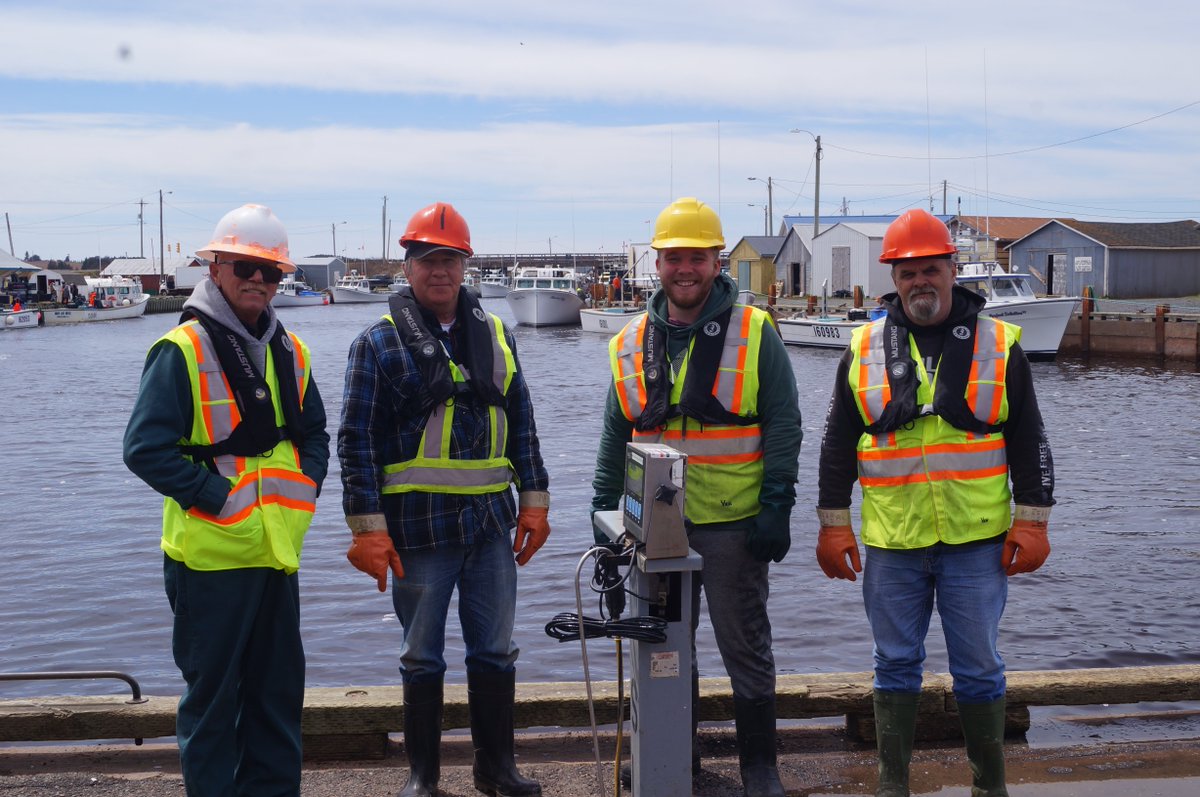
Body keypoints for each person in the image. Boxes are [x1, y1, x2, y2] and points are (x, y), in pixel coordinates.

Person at [814, 208, 1055, 797]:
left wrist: (1034, 521)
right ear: (893, 280)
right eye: (906, 273)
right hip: (894, 543)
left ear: (953, 268)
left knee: (979, 668)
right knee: (894, 663)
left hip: (977, 543)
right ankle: (892, 784)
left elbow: (1029, 440)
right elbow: (836, 444)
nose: (920, 281)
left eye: (930, 269)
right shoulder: (864, 347)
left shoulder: (1000, 344)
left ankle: (987, 786)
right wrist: (832, 525)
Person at [590, 197, 803, 797]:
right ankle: (670, 752)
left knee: (746, 647)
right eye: (674, 258)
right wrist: (604, 517)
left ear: (717, 261)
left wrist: (777, 505)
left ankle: (760, 767)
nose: (686, 269)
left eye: (698, 257)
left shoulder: (755, 332)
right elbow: (615, 434)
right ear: (657, 263)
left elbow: (785, 424)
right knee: (662, 648)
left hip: (734, 526)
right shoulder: (631, 340)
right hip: (653, 532)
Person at [338, 201, 551, 797]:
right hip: (416, 531)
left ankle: (496, 770)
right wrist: (367, 528)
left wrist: (535, 501)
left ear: (465, 267)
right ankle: (422, 778)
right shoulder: (376, 343)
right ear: (407, 267)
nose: (441, 272)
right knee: (421, 656)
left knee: (495, 651)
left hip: (490, 526)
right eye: (428, 260)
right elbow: (354, 440)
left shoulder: (498, 335)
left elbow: (524, 422)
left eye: (451, 260)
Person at [123, 203, 330, 797]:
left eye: (272, 272)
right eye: (245, 266)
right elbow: (144, 449)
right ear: (215, 268)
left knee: (276, 696)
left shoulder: (292, 352)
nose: (259, 281)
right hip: (209, 561)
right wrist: (217, 498)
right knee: (213, 704)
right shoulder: (180, 350)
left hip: (275, 555)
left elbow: (314, 434)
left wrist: (308, 487)